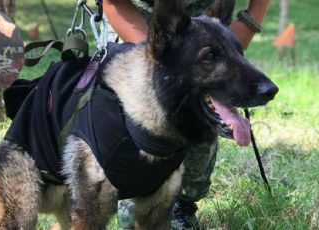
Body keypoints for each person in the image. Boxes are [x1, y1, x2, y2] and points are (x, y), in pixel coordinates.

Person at [102, 0, 272, 229]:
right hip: (134, 9)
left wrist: (240, 31)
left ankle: (181, 204)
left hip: (206, 6)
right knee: (140, 108)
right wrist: (162, 58)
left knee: (202, 103)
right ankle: (131, 195)